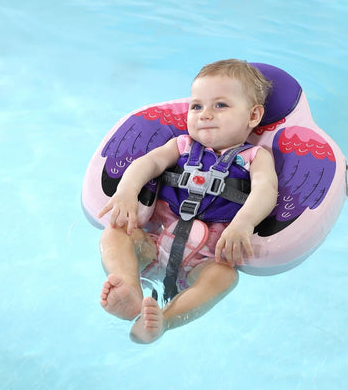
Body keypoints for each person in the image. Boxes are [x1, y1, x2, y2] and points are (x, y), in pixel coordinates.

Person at [98, 59, 278, 344]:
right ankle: (129, 288)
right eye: (197, 106)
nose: (205, 115)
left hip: (207, 258)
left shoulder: (255, 157)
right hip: (154, 244)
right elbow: (148, 163)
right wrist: (127, 192)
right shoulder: (181, 145)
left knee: (224, 277)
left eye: (220, 105)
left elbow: (265, 190)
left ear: (253, 116)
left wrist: (243, 223)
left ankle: (164, 321)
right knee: (116, 232)